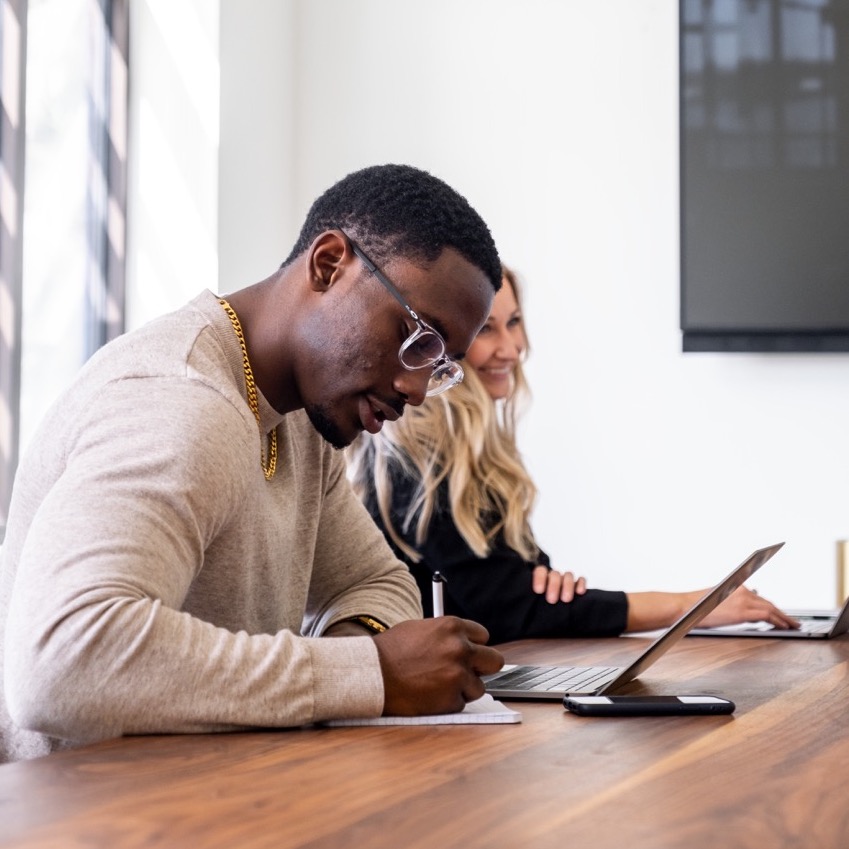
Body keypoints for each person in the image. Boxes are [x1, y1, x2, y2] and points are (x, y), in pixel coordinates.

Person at [0, 163, 507, 763]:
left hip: (213, 800)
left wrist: (369, 662)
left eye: (441, 364)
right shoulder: (182, 400)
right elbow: (61, 662)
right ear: (328, 264)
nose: (418, 388)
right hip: (86, 817)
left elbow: (375, 582)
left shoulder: (300, 418)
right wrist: (368, 673)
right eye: (418, 338)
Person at [347, 265, 799, 644]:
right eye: (485, 329)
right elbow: (512, 609)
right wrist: (692, 606)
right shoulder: (409, 457)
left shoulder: (473, 452)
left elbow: (522, 590)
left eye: (515, 322)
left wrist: (546, 584)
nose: (510, 348)